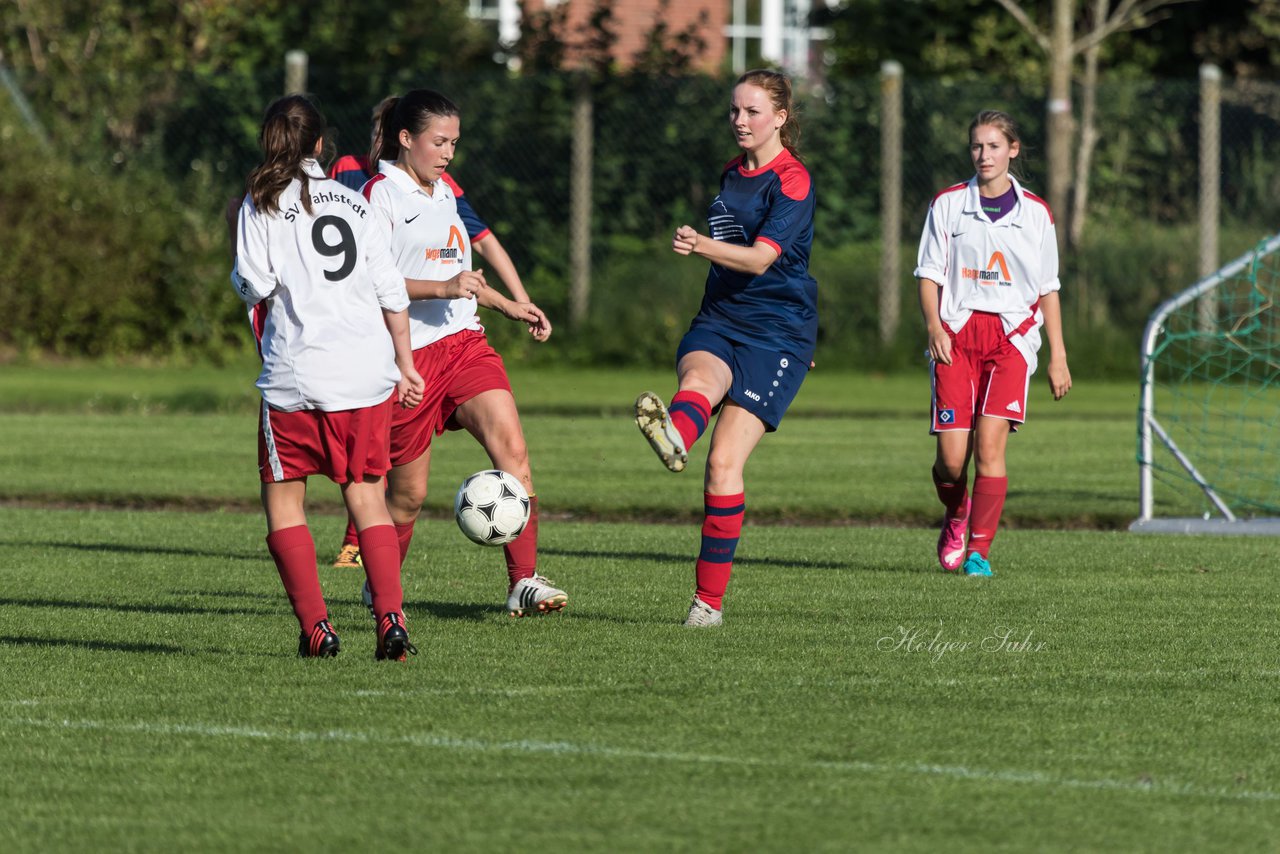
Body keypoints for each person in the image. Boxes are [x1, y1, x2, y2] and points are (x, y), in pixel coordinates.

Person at [352, 88, 565, 617]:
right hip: (409, 359)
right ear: (406, 139)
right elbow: (370, 281)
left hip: (465, 344)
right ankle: (381, 584)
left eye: (454, 143)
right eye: (438, 142)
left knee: (513, 452)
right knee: (407, 496)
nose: (448, 154)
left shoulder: (444, 191)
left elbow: (462, 276)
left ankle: (523, 581)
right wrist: (442, 288)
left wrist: (509, 304)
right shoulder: (380, 195)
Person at [230, 94, 427, 659]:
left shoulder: (261, 201)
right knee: (367, 496)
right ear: (320, 145)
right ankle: (391, 620)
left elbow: (256, 283)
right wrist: (406, 365)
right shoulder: (355, 202)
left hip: (297, 375)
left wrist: (240, 280)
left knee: (285, 502)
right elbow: (392, 292)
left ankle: (317, 628)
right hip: (366, 376)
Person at [634, 69, 817, 628]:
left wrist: (701, 244)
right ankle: (673, 435)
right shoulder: (730, 173)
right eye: (734, 111)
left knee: (723, 464)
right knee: (698, 385)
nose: (739, 121)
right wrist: (707, 248)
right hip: (720, 317)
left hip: (777, 332)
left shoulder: (793, 181)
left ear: (780, 118)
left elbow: (762, 258)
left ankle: (707, 604)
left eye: (752, 112)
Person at [915, 109, 1072, 578]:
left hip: (1011, 341)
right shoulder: (948, 205)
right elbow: (928, 276)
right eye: (977, 147)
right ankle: (957, 511)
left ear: (1013, 150)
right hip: (957, 338)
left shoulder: (1037, 214)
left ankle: (979, 552)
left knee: (989, 450)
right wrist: (934, 327)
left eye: (994, 146)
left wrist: (1058, 357)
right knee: (950, 460)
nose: (984, 155)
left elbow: (1048, 289)